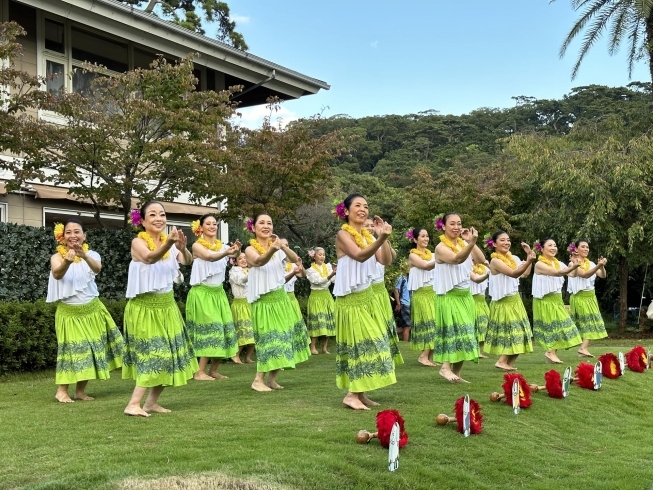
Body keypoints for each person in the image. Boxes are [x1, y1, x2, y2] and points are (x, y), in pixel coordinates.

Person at [122, 201, 198, 417]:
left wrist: (182, 248)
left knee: (170, 356)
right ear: (142, 221)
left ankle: (151, 403)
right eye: (152, 215)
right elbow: (149, 257)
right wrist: (170, 244)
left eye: (162, 214)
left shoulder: (170, 243)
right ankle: (133, 404)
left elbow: (188, 261)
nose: (159, 218)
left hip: (167, 306)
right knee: (154, 354)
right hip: (144, 308)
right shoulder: (138, 242)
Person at [47, 219, 124, 403]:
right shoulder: (57, 257)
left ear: (84, 235)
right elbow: (57, 274)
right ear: (62, 236)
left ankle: (80, 391)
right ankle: (61, 391)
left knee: (91, 349)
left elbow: (97, 268)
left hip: (92, 309)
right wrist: (67, 261)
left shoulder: (93, 254)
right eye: (68, 232)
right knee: (72, 350)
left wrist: (84, 255)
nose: (73, 235)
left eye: (77, 231)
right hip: (69, 313)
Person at [333, 194, 399, 410]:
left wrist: (383, 238)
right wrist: (379, 239)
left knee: (373, 344)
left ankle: (359, 393)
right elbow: (359, 256)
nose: (363, 209)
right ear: (346, 211)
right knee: (364, 345)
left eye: (366, 206)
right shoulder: (343, 234)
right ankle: (351, 394)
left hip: (368, 298)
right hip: (351, 301)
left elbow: (386, 260)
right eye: (357, 205)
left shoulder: (369, 236)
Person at [245, 214, 310, 391]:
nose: (266, 226)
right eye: (262, 223)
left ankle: (272, 379)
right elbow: (258, 261)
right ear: (253, 227)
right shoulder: (249, 249)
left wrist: (281, 246)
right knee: (267, 339)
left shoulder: (277, 246)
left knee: (283, 338)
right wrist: (273, 249)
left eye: (269, 223)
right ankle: (258, 380)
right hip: (264, 301)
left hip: (280, 298)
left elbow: (294, 258)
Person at [186, 214, 241, 381]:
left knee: (224, 330)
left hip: (219, 293)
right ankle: (199, 371)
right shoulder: (197, 246)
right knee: (211, 330)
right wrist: (227, 252)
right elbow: (209, 257)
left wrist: (236, 251)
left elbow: (236, 256)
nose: (212, 226)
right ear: (200, 227)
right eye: (208, 224)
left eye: (214, 224)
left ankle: (213, 370)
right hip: (202, 293)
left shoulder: (222, 246)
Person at [433, 212, 484, 383]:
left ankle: (457, 373)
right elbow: (456, 259)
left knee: (467, 333)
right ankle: (445, 368)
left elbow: (481, 259)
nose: (456, 227)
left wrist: (471, 243)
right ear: (443, 226)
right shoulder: (440, 248)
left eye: (459, 223)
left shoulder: (464, 244)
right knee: (454, 332)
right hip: (449, 296)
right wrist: (471, 244)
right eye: (452, 224)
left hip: (465, 296)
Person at [484, 231, 536, 370]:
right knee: (511, 334)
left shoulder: (513, 258)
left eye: (508, 240)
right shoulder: (495, 261)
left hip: (515, 301)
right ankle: (501, 361)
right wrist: (529, 261)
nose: (507, 242)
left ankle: (508, 364)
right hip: (503, 302)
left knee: (522, 334)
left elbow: (524, 273)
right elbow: (514, 274)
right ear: (494, 243)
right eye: (502, 240)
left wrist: (528, 257)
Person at [532, 238, 582, 364]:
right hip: (545, 300)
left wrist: (575, 264)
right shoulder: (539, 264)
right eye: (550, 245)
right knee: (553, 328)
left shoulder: (558, 262)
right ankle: (550, 352)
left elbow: (573, 275)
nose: (553, 247)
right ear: (541, 249)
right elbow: (558, 273)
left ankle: (551, 354)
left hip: (557, 300)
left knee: (562, 327)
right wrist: (574, 265)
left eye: (555, 245)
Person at [364, 218, 402, 366]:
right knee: (373, 324)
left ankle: (386, 355)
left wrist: (384, 237)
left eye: (371, 225)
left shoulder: (377, 240)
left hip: (381, 289)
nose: (369, 228)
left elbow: (392, 257)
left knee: (385, 323)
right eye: (366, 225)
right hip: (370, 289)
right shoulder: (361, 242)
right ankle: (374, 356)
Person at [567, 240, 608, 357]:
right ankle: (553, 350)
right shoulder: (572, 264)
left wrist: (602, 266)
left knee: (593, 322)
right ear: (576, 249)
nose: (586, 249)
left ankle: (583, 348)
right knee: (578, 325)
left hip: (591, 296)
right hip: (580, 297)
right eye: (583, 247)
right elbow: (585, 274)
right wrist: (599, 266)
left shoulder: (590, 263)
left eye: (587, 247)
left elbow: (602, 275)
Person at [406, 227, 437, 366]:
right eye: (422, 236)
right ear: (415, 239)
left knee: (436, 324)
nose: (426, 239)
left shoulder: (434, 255)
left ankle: (430, 356)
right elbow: (425, 266)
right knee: (428, 324)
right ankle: (423, 356)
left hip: (433, 293)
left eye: (427, 236)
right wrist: (441, 259)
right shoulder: (413, 255)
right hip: (421, 294)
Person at [305, 247, 337, 355]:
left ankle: (324, 347)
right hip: (316, 297)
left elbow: (332, 280)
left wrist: (335, 272)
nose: (322, 256)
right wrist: (331, 274)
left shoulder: (327, 267)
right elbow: (318, 281)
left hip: (326, 296)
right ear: (314, 256)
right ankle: (312, 346)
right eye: (320, 254)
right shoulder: (310, 270)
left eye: (323, 254)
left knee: (327, 321)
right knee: (318, 321)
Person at [229, 252, 255, 363]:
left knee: (254, 331)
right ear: (235, 261)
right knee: (243, 330)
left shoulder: (250, 270)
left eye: (245, 258)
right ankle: (236, 355)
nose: (244, 260)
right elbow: (241, 280)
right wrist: (252, 273)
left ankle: (248, 357)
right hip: (240, 304)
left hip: (251, 303)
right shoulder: (234, 271)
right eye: (240, 259)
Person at [470, 257, 491, 359]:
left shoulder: (484, 268)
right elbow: (476, 280)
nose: (474, 260)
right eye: (472, 258)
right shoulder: (468, 268)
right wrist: (487, 274)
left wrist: (488, 266)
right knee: (475, 326)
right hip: (472, 300)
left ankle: (478, 350)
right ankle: (473, 351)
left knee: (485, 326)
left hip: (482, 301)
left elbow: (496, 273)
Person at [281, 238, 306, 322]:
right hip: (280, 299)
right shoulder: (274, 263)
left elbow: (302, 275)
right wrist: (293, 273)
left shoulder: (292, 262)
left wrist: (300, 265)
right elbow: (281, 281)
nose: (285, 247)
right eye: (282, 245)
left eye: (287, 245)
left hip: (291, 297)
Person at [393, 262, 412, 342]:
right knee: (407, 326)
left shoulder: (409, 277)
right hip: (404, 303)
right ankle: (405, 344)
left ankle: (389, 335)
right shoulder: (401, 277)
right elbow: (396, 290)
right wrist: (398, 304)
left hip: (408, 303)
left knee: (407, 326)